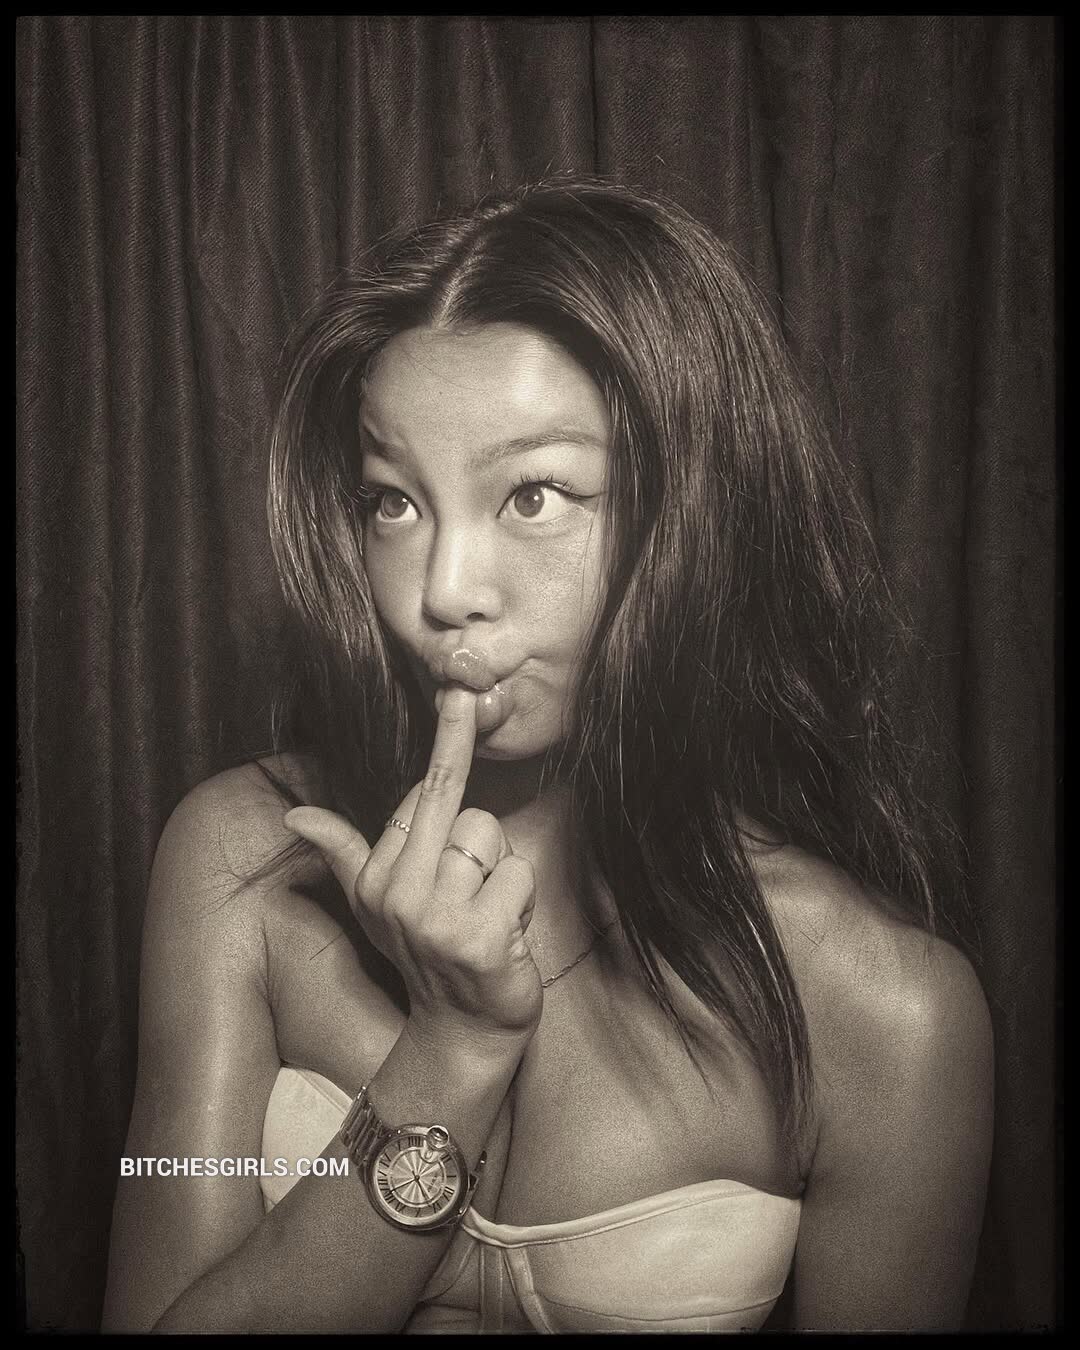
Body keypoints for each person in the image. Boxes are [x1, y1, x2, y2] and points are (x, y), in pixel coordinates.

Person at [101, 176, 993, 1333]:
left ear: (693, 512)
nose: (442, 592)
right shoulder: (241, 862)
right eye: (394, 502)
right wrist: (451, 1051)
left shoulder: (886, 1010)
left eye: (533, 494)